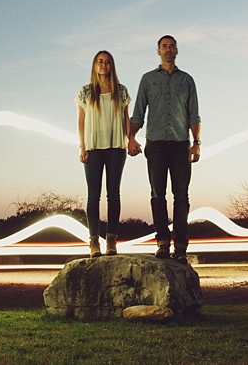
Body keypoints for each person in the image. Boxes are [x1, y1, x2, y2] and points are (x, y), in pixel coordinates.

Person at [128, 35, 201, 264]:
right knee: (157, 195)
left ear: (176, 50)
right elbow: (138, 112)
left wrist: (196, 142)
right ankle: (162, 243)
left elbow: (194, 114)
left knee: (182, 197)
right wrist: (131, 137)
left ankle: (180, 247)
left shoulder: (187, 80)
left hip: (181, 144)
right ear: (158, 51)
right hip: (156, 144)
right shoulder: (148, 80)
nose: (168, 49)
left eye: (172, 46)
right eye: (164, 46)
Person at [75, 50, 132, 257]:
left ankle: (111, 240)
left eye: (107, 62)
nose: (104, 65)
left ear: (112, 66)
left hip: (116, 147)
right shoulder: (85, 92)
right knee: (93, 196)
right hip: (93, 147)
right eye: (100, 62)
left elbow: (127, 118)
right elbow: (81, 121)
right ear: (94, 65)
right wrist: (82, 146)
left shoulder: (121, 91)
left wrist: (131, 139)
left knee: (113, 195)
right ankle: (93, 242)